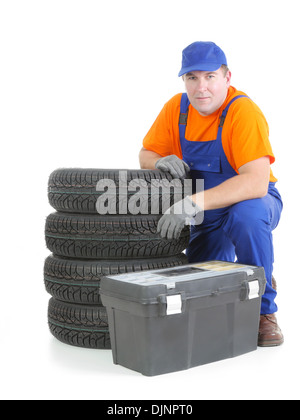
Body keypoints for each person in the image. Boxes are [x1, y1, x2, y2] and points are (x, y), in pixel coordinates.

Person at [139, 41, 284, 347]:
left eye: (210, 76)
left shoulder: (243, 112)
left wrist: (191, 202)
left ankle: (264, 311)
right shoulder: (176, 109)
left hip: (252, 202)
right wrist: (158, 161)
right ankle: (259, 271)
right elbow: (146, 153)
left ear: (227, 77)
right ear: (184, 80)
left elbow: (256, 182)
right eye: (192, 78)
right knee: (202, 287)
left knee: (247, 216)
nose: (200, 87)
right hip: (207, 211)